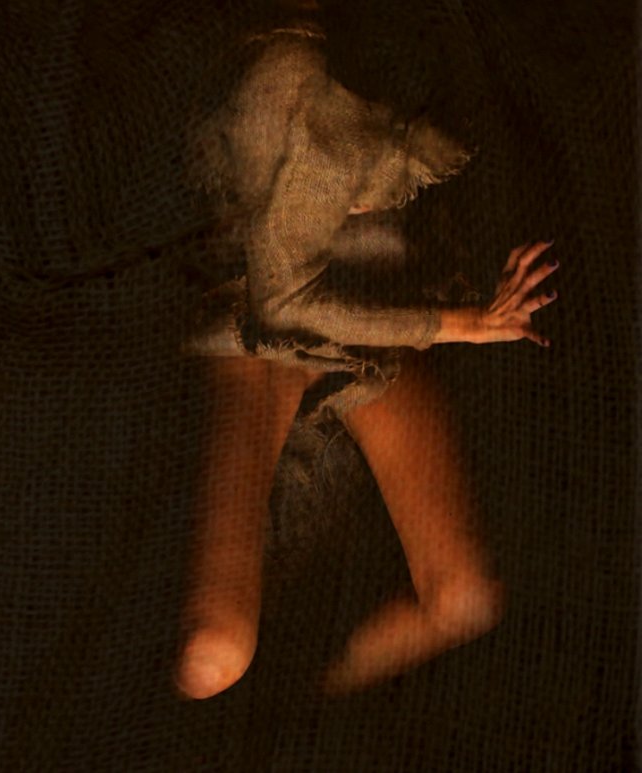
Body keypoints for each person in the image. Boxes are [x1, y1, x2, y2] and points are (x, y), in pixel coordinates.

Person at [177, 25, 558, 700]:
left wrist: (498, 280)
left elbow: (456, 179)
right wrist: (469, 324)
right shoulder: (298, 78)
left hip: (377, 307)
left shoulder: (439, 58)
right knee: (215, 652)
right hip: (260, 328)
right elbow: (283, 307)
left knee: (464, 599)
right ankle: (249, 717)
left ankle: (310, 705)